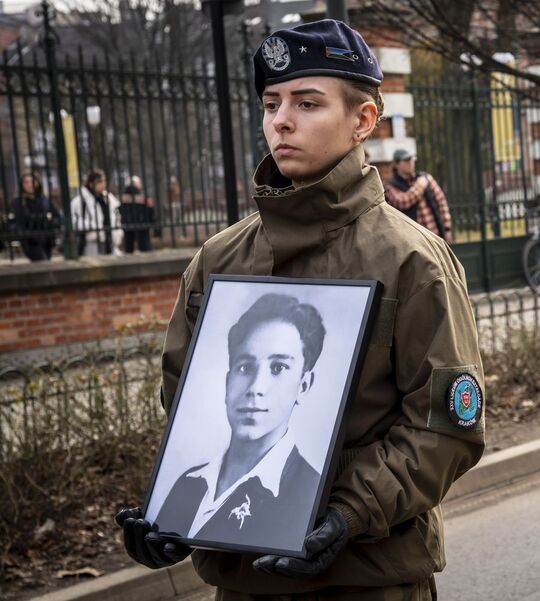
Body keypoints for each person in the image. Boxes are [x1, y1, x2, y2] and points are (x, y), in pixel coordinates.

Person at [116, 19, 484, 601]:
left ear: (363, 120)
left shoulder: (411, 261)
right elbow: (187, 404)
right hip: (242, 583)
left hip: (365, 578)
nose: (281, 120)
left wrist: (348, 514)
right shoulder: (219, 259)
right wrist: (174, 511)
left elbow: (446, 428)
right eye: (271, 103)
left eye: (307, 103)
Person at [151, 293, 324, 550]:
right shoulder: (189, 482)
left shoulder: (309, 492)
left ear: (304, 385)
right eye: (244, 367)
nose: (256, 388)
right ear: (227, 381)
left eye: (278, 368)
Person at [384, 149, 453, 243]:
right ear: (396, 164)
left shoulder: (424, 178)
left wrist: (447, 228)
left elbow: (441, 202)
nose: (410, 163)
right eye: (406, 160)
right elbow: (402, 202)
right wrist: (420, 185)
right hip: (413, 241)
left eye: (411, 160)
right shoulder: (391, 186)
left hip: (435, 236)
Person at [70, 169, 122, 256]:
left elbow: (117, 217)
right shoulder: (80, 201)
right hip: (91, 243)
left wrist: (118, 234)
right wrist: (93, 226)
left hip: (110, 241)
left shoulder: (109, 199)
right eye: (99, 182)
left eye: (104, 181)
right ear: (91, 184)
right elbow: (73, 221)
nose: (103, 185)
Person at [11, 172, 61, 261]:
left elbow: (57, 217)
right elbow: (22, 221)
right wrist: (45, 218)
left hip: (47, 240)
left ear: (38, 183)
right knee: (41, 261)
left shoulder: (44, 199)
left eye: (32, 181)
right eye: (26, 182)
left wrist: (50, 223)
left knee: (47, 264)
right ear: (22, 185)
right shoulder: (18, 201)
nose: (30, 185)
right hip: (31, 241)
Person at [118, 175, 154, 253]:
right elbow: (149, 208)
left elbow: (120, 208)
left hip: (128, 223)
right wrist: (150, 221)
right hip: (142, 223)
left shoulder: (124, 195)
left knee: (129, 246)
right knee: (144, 247)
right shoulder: (143, 195)